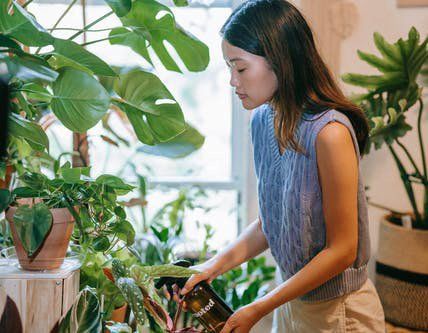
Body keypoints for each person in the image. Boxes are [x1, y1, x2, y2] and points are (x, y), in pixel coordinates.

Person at [178, 0, 386, 332]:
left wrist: (259, 307)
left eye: (241, 68)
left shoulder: (329, 134)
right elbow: (270, 224)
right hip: (293, 301)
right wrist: (211, 266)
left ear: (280, 61)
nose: (233, 80)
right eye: (229, 68)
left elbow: (343, 250)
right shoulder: (262, 120)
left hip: (340, 313)